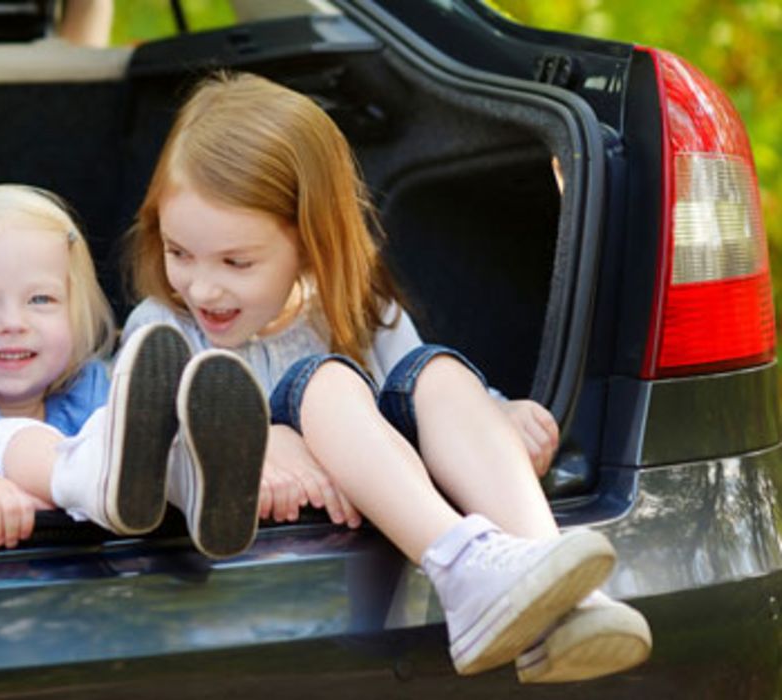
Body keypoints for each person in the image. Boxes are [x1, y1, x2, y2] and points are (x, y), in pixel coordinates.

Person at [123, 72, 651, 682]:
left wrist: (495, 413)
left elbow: (420, 393)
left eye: (236, 262)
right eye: (178, 252)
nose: (202, 286)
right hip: (266, 603)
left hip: (378, 560)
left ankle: (563, 595)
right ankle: (462, 568)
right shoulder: (162, 331)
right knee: (326, 382)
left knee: (442, 373)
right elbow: (137, 449)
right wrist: (253, 441)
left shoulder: (359, 309)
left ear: (311, 242)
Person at [0, 184, 268, 558]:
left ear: (75, 314)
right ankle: (95, 478)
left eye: (41, 299)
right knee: (7, 435)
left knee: (121, 423)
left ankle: (199, 488)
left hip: (110, 575)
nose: (12, 322)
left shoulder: (91, 386)